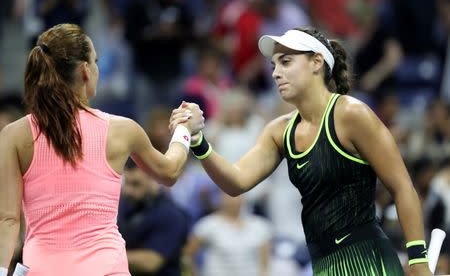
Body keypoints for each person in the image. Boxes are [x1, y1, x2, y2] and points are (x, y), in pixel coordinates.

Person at [170, 27, 433, 275]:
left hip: (367, 261)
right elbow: (236, 181)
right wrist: (197, 139)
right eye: (273, 66)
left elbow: (402, 187)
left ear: (317, 62)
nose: (275, 73)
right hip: (323, 264)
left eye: (285, 62)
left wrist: (418, 260)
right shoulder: (279, 131)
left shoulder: (352, 114)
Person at [0, 23, 204, 276]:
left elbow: (8, 220)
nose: (96, 68)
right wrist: (185, 129)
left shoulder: (13, 135)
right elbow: (170, 171)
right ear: (86, 70)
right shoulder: (122, 130)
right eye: (95, 61)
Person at [118, 160, 189, 276]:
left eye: (136, 184)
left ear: (153, 178)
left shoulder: (171, 215)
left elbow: (150, 262)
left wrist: (104, 256)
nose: (128, 191)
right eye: (127, 183)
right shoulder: (124, 205)